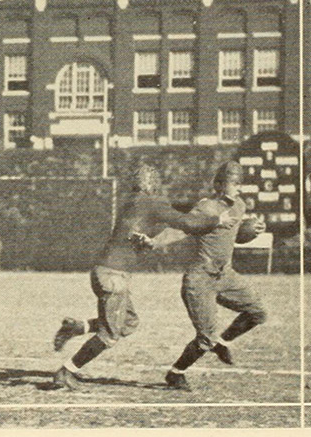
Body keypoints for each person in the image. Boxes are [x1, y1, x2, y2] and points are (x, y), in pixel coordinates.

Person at [50, 164, 233, 390]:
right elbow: (185, 222)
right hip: (113, 275)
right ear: (150, 183)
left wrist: (148, 240)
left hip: (109, 272)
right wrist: (216, 220)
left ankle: (77, 327)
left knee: (128, 322)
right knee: (110, 335)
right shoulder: (150, 202)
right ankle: (66, 371)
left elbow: (146, 227)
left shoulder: (133, 202)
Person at [163, 161, 267, 391]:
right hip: (201, 278)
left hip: (225, 275)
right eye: (234, 183)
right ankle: (176, 373)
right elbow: (181, 227)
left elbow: (233, 237)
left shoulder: (239, 206)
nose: (239, 188)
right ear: (219, 185)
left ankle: (224, 341)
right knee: (205, 338)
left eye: (241, 183)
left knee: (257, 313)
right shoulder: (206, 208)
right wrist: (152, 242)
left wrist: (251, 231)